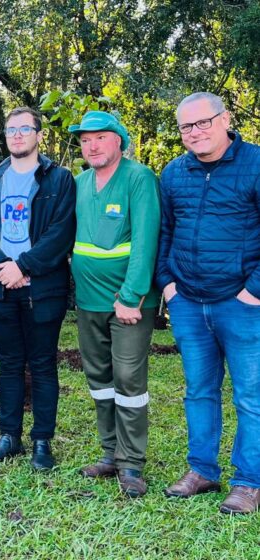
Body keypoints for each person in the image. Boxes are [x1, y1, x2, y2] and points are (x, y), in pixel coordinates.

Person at [158, 92, 260, 514]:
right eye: (187, 126)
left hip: (243, 304)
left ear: (225, 119)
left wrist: (253, 290)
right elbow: (164, 230)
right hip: (188, 302)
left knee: (251, 397)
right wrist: (167, 284)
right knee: (199, 391)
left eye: (204, 123)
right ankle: (201, 469)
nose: (196, 132)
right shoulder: (174, 173)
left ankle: (249, 482)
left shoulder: (255, 164)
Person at [0, 108, 76, 468]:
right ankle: (9, 437)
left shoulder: (59, 179)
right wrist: (5, 270)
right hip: (0, 288)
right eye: (11, 130)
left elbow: (61, 233)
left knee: (43, 364)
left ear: (38, 135)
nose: (17, 135)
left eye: (24, 129)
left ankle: (42, 443)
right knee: (9, 363)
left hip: (41, 289)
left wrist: (24, 266)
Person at [68, 111, 160, 498]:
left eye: (100, 138)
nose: (92, 145)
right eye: (86, 140)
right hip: (87, 300)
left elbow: (145, 241)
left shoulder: (139, 178)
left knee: (128, 380)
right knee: (100, 381)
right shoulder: (79, 183)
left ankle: (131, 464)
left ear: (119, 140)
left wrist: (130, 296)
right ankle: (110, 453)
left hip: (127, 303)